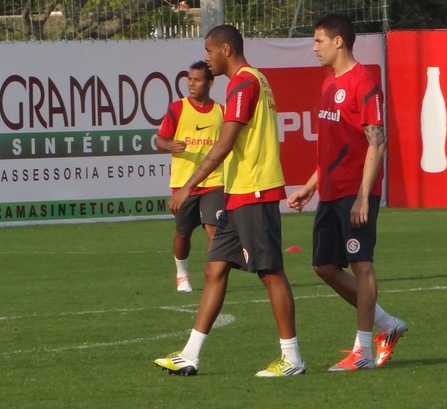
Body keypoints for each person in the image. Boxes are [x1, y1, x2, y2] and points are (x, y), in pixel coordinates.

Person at [154, 24, 305, 377]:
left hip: (255, 189)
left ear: (225, 49)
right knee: (214, 268)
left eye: (208, 51)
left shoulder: (244, 82)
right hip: (238, 193)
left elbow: (223, 144)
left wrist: (189, 185)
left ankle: (292, 358)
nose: (206, 59)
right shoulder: (256, 80)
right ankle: (190, 354)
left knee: (270, 272)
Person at [287, 14, 407, 372]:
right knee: (323, 266)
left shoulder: (364, 82)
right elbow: (334, 147)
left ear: (339, 41)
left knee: (362, 265)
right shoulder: (329, 84)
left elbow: (377, 142)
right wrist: (310, 186)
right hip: (329, 191)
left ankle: (363, 352)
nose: (314, 47)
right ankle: (387, 325)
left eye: (319, 40)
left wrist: (362, 195)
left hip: (356, 194)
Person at [156, 60, 225, 293]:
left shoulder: (221, 112)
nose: (191, 84)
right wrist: (169, 145)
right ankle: (181, 274)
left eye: (197, 80)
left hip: (214, 181)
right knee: (183, 234)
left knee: (213, 229)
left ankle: (212, 277)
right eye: (189, 79)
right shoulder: (177, 108)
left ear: (210, 83)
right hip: (183, 183)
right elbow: (159, 140)